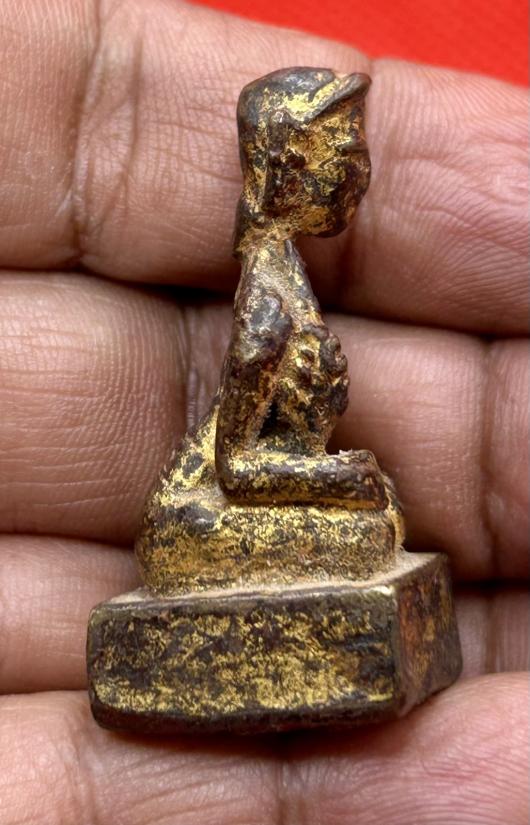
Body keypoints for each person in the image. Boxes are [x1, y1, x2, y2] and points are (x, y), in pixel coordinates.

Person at [0, 1, 527, 823]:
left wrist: (329, 457)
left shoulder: (288, 278)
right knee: (367, 527)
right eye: (341, 155)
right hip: (195, 520)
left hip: (228, 503)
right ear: (284, 170)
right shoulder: (267, 306)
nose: (360, 173)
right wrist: (334, 478)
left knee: (375, 523)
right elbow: (237, 467)